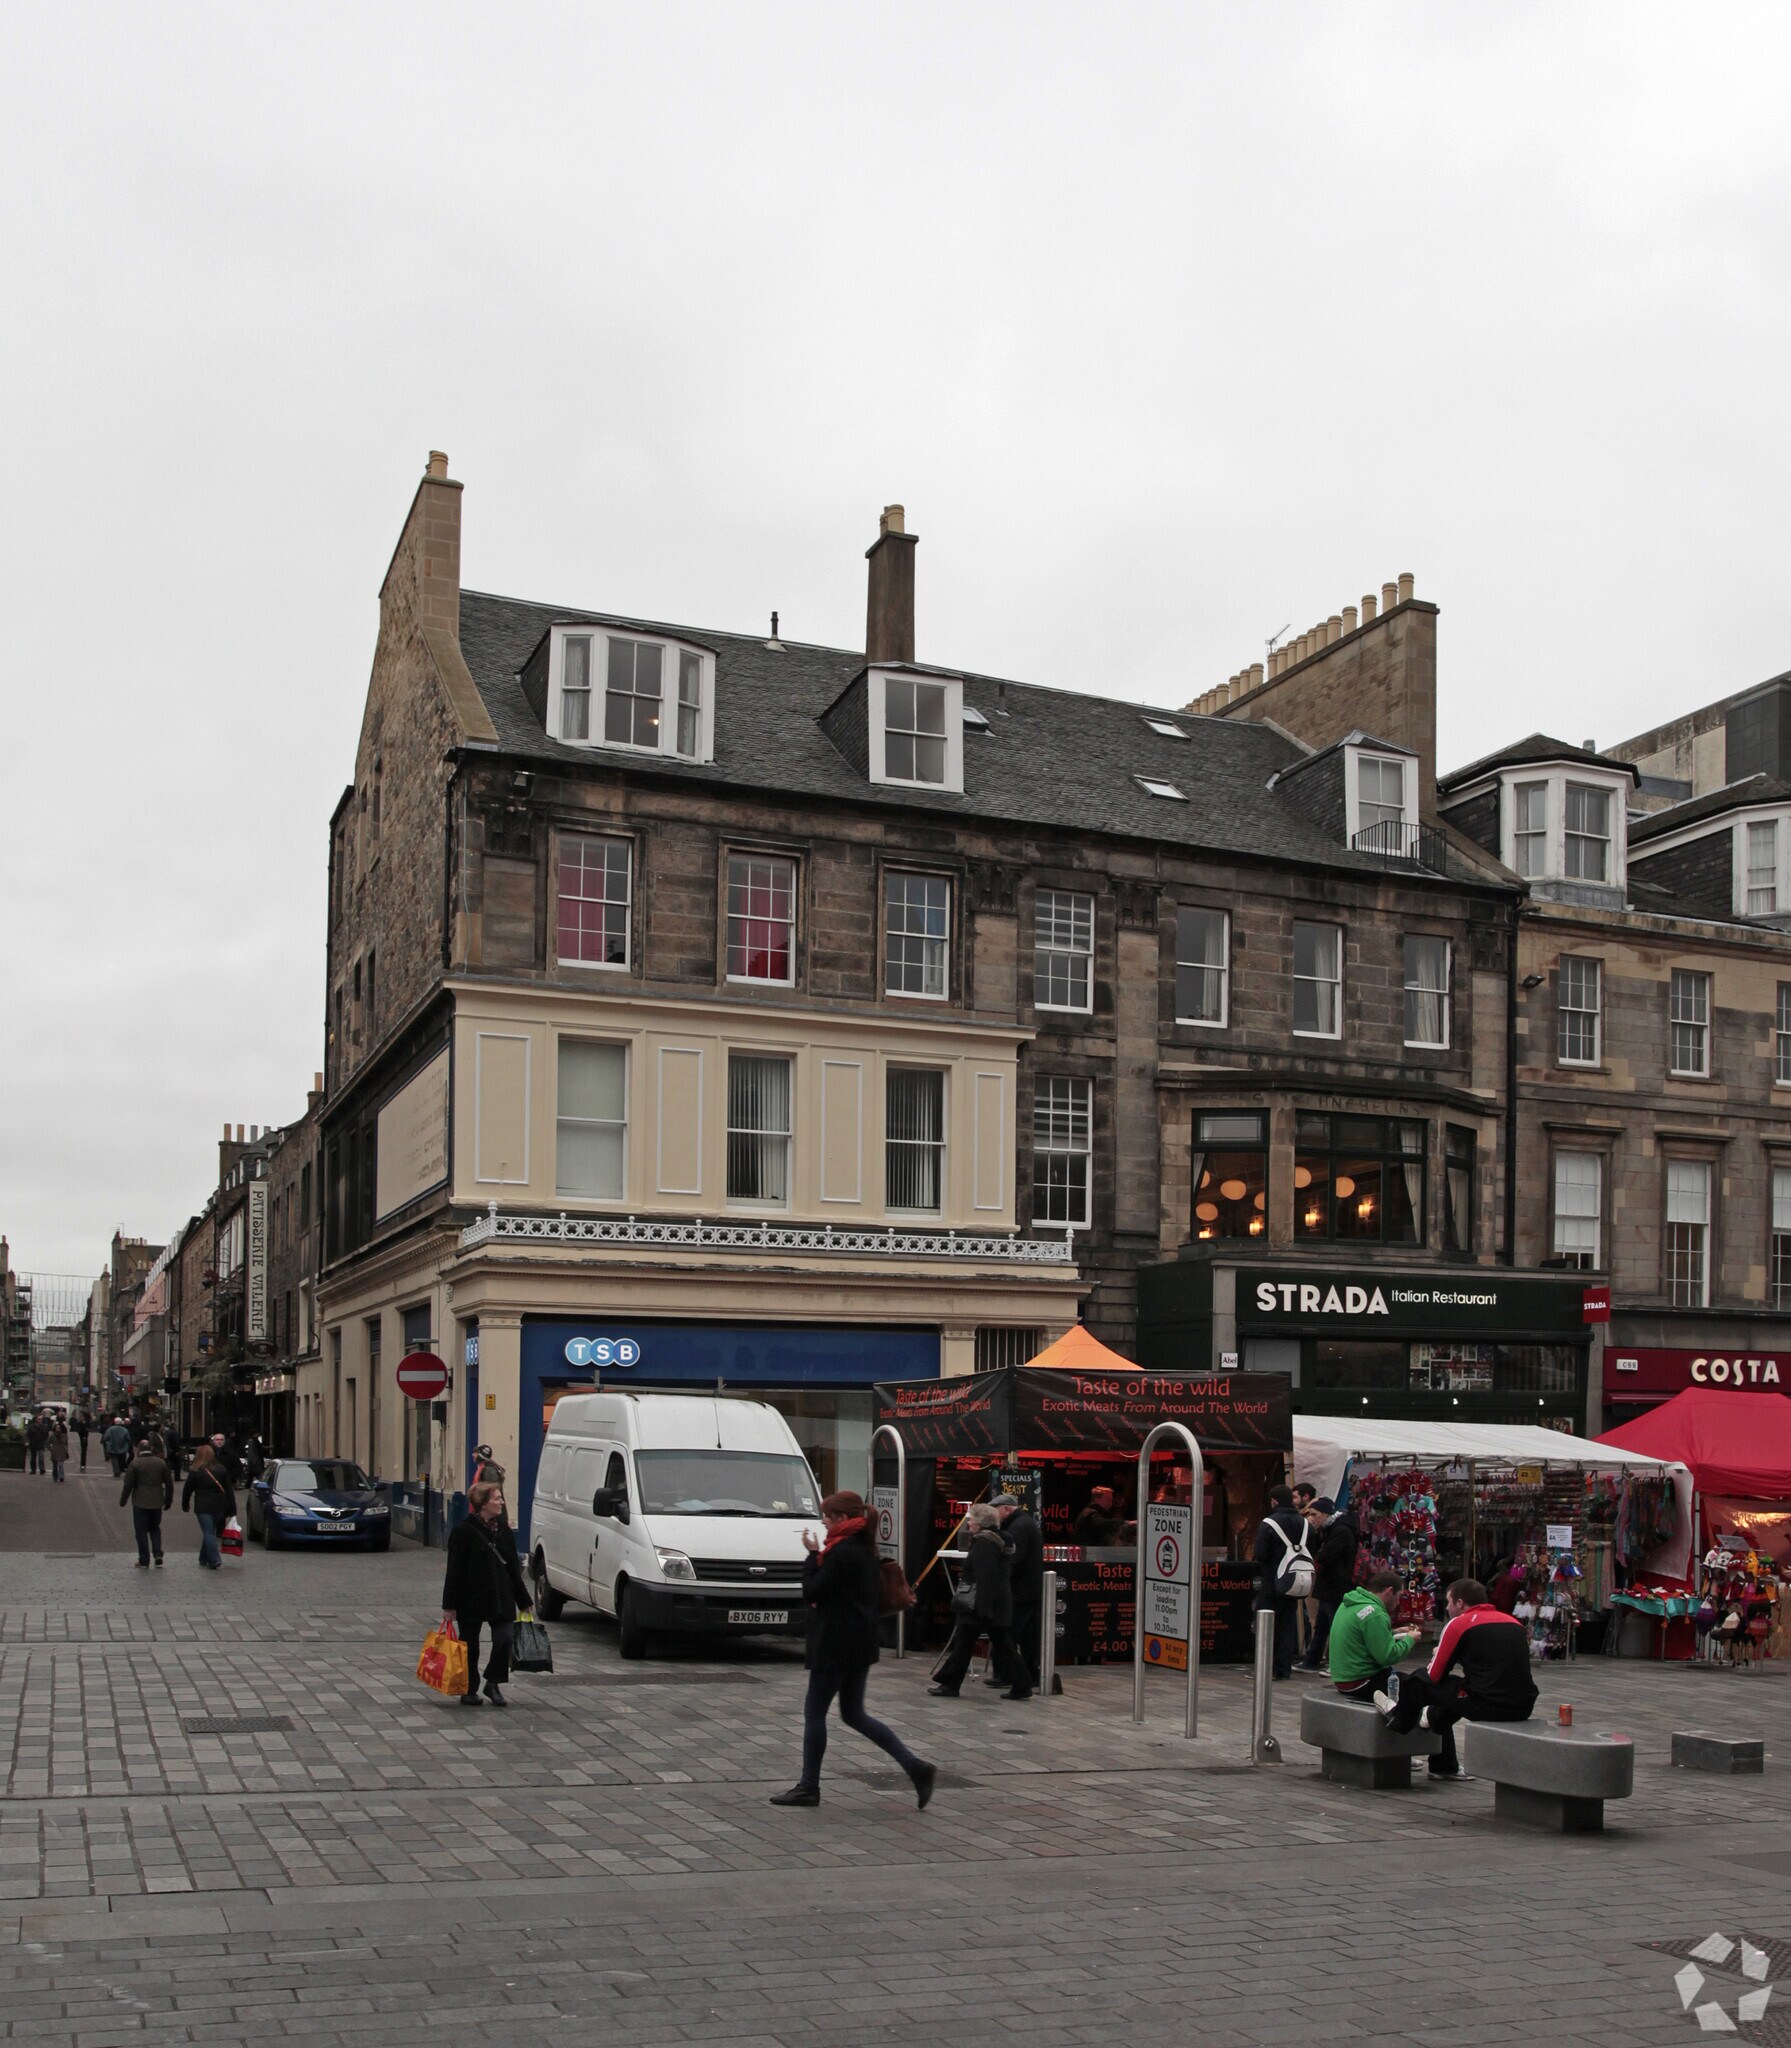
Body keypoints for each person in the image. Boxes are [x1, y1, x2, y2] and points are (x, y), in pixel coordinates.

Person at [770, 1489, 936, 1810]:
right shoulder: (865, 1549)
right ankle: (915, 1767)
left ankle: (808, 1786)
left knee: (814, 1713)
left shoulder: (841, 1552)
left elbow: (813, 1590)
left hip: (834, 1645)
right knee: (854, 1714)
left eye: (828, 1517)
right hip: (860, 1645)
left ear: (843, 1519)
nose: (823, 1522)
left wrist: (810, 1556)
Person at [1377, 1576, 1538, 1779]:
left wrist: (1439, 1653)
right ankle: (1442, 1760)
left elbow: (1434, 1675)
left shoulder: (1458, 1624)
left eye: (1449, 1602)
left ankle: (1398, 1724)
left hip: (1488, 1705)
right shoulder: (1513, 1622)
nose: (1447, 1609)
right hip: (1523, 1706)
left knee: (1418, 1680)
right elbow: (1493, 1664)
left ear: (1460, 1603)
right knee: (1454, 1691)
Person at [929, 1502, 1032, 1700]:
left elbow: (986, 1576)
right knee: (1001, 1645)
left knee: (966, 1642)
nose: (969, 1524)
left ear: (980, 1523)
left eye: (972, 1520)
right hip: (996, 1602)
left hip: (981, 1603)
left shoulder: (984, 1544)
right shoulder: (998, 1541)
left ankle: (950, 1684)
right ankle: (1021, 1684)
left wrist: (983, 1608)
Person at [441, 1481, 531, 1707]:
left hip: (502, 1596)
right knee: (470, 1645)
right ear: (482, 1503)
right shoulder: (463, 1531)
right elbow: (454, 1570)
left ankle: (493, 1682)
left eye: (500, 1498)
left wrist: (523, 1600)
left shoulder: (503, 1531)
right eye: (496, 1499)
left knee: (505, 1639)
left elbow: (513, 1568)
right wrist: (449, 1605)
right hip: (471, 1598)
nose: (501, 1502)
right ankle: (469, 1689)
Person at [1325, 1570, 1419, 1699]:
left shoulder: (1351, 1603)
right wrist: (1409, 1640)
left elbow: (1362, 1636)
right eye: (1399, 1596)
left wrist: (1394, 1632)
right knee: (1417, 1687)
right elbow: (1388, 1656)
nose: (1399, 1602)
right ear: (1389, 1591)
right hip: (1361, 1682)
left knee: (1411, 1680)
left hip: (1343, 1679)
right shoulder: (1375, 1614)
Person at [1253, 1483, 1313, 1680]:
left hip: (1271, 1581)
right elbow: (1313, 1545)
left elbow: (1260, 1554)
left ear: (1274, 1501)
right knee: (1288, 1625)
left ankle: (1266, 1667)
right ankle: (1283, 1668)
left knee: (1266, 1624)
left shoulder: (1269, 1523)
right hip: (1295, 1581)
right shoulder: (1305, 1523)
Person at [1297, 1496, 1360, 1672]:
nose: (1313, 1517)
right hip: (1329, 1585)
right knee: (1322, 1625)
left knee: (1335, 1626)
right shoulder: (1330, 1529)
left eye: (1315, 1514)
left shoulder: (1341, 1531)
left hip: (1337, 1585)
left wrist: (1318, 1541)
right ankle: (1312, 1660)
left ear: (1326, 1514)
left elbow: (1324, 1556)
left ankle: (1336, 1663)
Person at [993, 1492, 1045, 1687]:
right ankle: (1031, 1674)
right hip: (1030, 1590)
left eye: (996, 1510)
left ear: (1006, 1509)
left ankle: (1008, 1675)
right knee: (1028, 1636)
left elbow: (1014, 1558)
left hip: (1020, 1591)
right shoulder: (1024, 1522)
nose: (994, 1515)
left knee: (1009, 1634)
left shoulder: (1017, 1527)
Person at [119, 1437, 174, 1568]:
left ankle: (144, 1559)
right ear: (152, 1449)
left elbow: (128, 1484)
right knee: (155, 1528)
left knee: (141, 1531)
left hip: (140, 1501)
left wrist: (123, 1500)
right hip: (157, 1500)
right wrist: (168, 1500)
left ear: (138, 1449)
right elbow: (169, 1483)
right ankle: (158, 1553)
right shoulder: (161, 1463)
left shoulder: (135, 1464)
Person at [181, 1445, 237, 1570]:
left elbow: (188, 1489)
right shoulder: (221, 1470)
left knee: (208, 1532)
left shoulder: (195, 1471)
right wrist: (233, 1508)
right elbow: (229, 1490)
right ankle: (203, 1558)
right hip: (219, 1506)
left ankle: (215, 1559)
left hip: (203, 1505)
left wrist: (185, 1503)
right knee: (210, 1531)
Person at [47, 1414, 70, 1484]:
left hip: (62, 1451)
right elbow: (47, 1443)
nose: (58, 1429)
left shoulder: (64, 1435)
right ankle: (55, 1477)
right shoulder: (52, 1435)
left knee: (61, 1464)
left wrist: (66, 1451)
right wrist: (51, 1449)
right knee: (55, 1465)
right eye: (57, 1427)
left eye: (59, 1428)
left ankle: (61, 1476)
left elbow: (66, 1444)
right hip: (54, 1451)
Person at [24, 1411, 48, 1476]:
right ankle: (33, 1469)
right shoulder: (31, 1426)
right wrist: (27, 1441)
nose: (40, 1420)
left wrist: (45, 1442)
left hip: (41, 1444)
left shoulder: (44, 1426)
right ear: (36, 1419)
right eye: (39, 1419)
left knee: (41, 1457)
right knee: (33, 1458)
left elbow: (46, 1435)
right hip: (33, 1443)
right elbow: (27, 1434)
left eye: (41, 1419)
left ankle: (42, 1469)